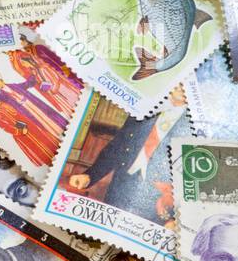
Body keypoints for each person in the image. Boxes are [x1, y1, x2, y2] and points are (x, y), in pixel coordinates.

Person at [64, 90, 187, 224]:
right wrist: (90, 175)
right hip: (119, 188)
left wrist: (173, 218)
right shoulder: (146, 107)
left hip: (158, 204)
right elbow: (118, 146)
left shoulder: (196, 125)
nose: (183, 87)